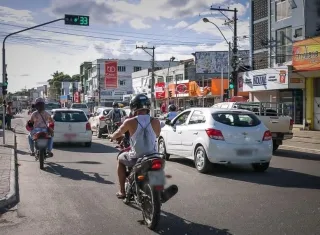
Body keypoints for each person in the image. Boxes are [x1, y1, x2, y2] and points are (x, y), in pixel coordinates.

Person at [110, 94, 161, 199]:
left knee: (120, 159)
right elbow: (157, 135)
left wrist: (111, 136)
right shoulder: (156, 121)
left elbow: (118, 133)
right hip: (153, 156)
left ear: (133, 107)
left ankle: (122, 191)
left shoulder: (129, 122)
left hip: (137, 157)